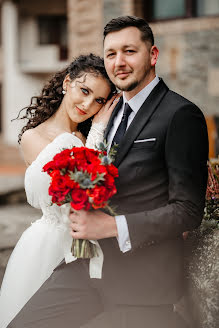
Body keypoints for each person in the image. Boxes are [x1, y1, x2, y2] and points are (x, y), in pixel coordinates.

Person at [6, 16, 209, 328]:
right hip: (85, 266)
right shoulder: (105, 116)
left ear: (152, 55)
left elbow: (188, 210)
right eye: (111, 53)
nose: (119, 62)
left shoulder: (180, 115)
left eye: (129, 51)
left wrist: (112, 226)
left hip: (139, 282)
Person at [0, 53, 118, 328]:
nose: (88, 104)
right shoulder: (34, 137)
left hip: (91, 241)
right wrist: (98, 130)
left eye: (99, 100)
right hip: (48, 244)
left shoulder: (88, 139)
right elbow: (73, 184)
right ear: (67, 82)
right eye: (84, 91)